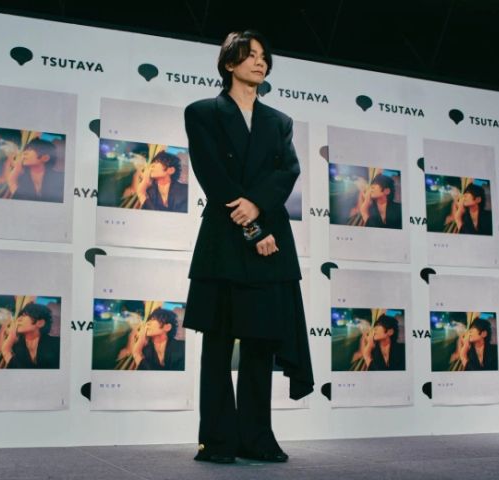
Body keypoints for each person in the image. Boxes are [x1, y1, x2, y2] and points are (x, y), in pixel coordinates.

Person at [182, 30, 314, 464]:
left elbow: (287, 172)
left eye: (264, 57)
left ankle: (256, 438)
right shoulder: (202, 112)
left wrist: (257, 208)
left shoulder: (279, 121)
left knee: (260, 343)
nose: (260, 62)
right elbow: (212, 174)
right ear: (229, 64)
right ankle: (217, 441)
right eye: (250, 55)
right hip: (226, 239)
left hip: (271, 237)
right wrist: (253, 228)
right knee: (218, 344)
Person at [3, 138, 65, 203]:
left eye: (30, 149)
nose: (24, 152)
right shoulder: (21, 178)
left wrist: (12, 182)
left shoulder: (61, 179)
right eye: (26, 149)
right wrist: (14, 176)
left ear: (45, 158)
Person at [1, 303, 60, 369]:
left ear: (40, 323)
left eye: (24, 315)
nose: (18, 319)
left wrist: (6, 351)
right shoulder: (16, 345)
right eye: (20, 316)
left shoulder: (58, 344)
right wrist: (11, 336)